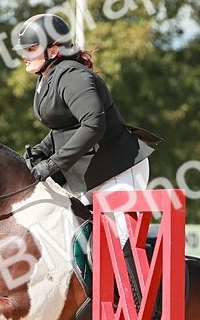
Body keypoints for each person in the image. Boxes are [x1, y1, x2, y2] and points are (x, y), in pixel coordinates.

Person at [13, 13, 160, 240]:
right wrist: (42, 149)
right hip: (87, 172)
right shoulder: (47, 78)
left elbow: (92, 126)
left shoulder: (72, 75)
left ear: (53, 50)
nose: (24, 55)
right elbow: (64, 127)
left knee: (120, 242)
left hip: (116, 170)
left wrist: (52, 164)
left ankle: (138, 276)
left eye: (31, 49)